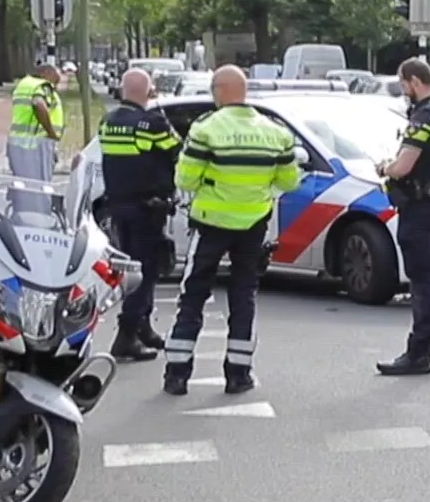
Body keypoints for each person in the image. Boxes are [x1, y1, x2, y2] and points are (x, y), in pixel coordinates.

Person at [162, 67, 300, 397]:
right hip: (253, 225)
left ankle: (177, 375)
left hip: (211, 223)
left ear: (219, 91)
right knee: (243, 297)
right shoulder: (275, 133)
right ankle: (238, 374)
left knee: (193, 295)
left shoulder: (207, 129)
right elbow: (289, 182)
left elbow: (184, 180)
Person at [374, 58, 430, 375]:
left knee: (423, 281)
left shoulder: (423, 119)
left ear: (413, 81)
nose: (403, 92)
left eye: (403, 85)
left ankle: (417, 354)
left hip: (417, 207)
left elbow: (403, 166)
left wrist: (385, 166)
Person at [98, 69, 181, 360]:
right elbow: (176, 151)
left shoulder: (107, 122)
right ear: (149, 91)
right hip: (148, 207)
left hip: (118, 206)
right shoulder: (152, 123)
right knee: (145, 271)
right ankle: (127, 336)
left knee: (135, 267)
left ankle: (144, 327)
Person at [7, 63, 65, 181]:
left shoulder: (24, 84)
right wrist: (51, 133)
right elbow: (39, 104)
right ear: (46, 73)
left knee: (22, 182)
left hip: (17, 143)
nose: (54, 86)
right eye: (55, 81)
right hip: (38, 144)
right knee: (39, 184)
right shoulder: (41, 86)